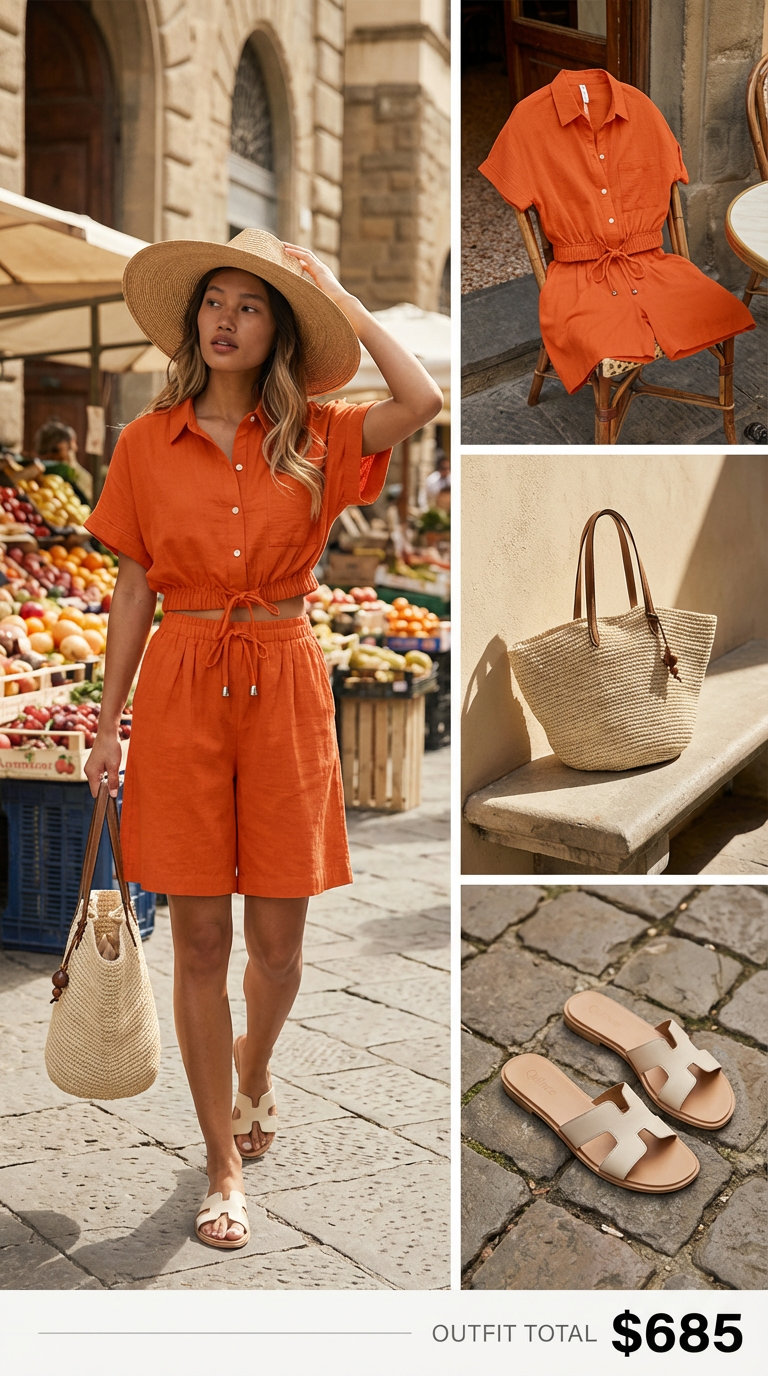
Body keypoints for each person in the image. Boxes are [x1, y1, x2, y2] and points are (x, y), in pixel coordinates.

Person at [83, 228, 442, 1251]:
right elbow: (133, 585)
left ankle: (255, 1065)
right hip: (185, 686)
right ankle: (222, 1160)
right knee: (198, 938)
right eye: (214, 302)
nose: (227, 318)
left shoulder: (322, 433)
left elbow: (421, 400)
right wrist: (108, 726)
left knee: (278, 949)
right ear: (194, 322)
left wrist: (342, 295)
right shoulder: (146, 443)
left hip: (284, 681)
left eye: (250, 303)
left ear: (279, 326)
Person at [33, 420, 94, 501]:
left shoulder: (83, 479)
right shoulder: (37, 473)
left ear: (72, 445)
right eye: (43, 452)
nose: (49, 456)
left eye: (55, 450)